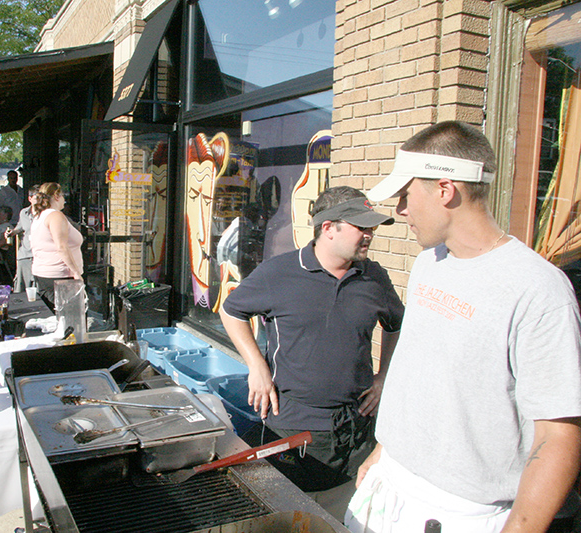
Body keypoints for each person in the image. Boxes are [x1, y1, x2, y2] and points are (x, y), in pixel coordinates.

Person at [345, 121, 581, 533]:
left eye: (405, 195)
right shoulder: (428, 264)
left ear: (444, 189)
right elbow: (418, 370)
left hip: (463, 515)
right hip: (388, 489)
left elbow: (558, 435)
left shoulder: (539, 289)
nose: (400, 211)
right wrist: (384, 450)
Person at [219, 186, 403, 518]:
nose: (370, 235)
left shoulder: (374, 278)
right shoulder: (279, 273)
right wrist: (256, 366)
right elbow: (231, 311)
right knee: (286, 518)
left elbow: (396, 325)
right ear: (328, 228)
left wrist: (384, 376)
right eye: (362, 227)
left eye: (372, 228)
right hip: (291, 426)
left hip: (356, 429)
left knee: (339, 521)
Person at [31, 182, 83, 311]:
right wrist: (76, 272)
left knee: (60, 321)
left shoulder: (39, 216)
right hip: (60, 276)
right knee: (70, 321)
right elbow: (61, 247)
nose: (65, 200)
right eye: (63, 196)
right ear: (56, 196)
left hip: (45, 274)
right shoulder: (55, 216)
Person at [5, 184, 39, 292]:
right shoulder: (24, 213)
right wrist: (10, 233)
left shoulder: (46, 214)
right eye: (37, 198)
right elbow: (19, 228)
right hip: (25, 254)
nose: (40, 201)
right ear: (30, 199)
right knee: (21, 287)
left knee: (37, 288)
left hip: (39, 255)